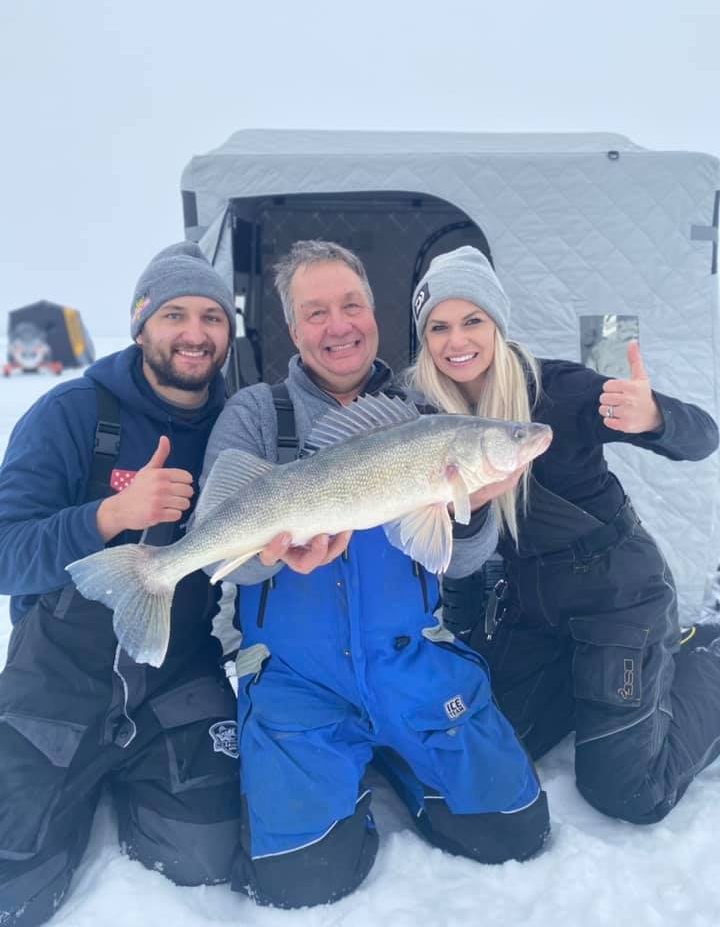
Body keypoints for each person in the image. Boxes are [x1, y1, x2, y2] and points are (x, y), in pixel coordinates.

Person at [199, 239, 550, 910]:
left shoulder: (427, 410)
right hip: (300, 681)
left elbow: (465, 562)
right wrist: (274, 555)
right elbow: (226, 561)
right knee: (302, 881)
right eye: (316, 312)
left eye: (352, 305)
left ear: (376, 313)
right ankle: (350, 767)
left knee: (513, 831)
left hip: (411, 664)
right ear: (295, 328)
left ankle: (395, 748)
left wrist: (469, 512)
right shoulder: (255, 414)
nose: (339, 325)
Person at [407, 244, 720, 825]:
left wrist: (657, 418)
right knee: (490, 748)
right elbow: (457, 549)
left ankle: (707, 656)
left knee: (628, 789)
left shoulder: (557, 389)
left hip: (617, 600)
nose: (457, 341)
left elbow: (705, 438)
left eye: (472, 320)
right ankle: (609, 689)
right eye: (439, 326)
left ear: (496, 325)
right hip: (533, 615)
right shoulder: (425, 421)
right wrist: (469, 638)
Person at [0, 243, 243, 927]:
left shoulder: (241, 424)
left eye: (211, 317)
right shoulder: (70, 413)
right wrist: (111, 515)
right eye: (174, 314)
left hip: (177, 674)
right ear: (140, 326)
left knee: (203, 860)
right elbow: (4, 553)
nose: (194, 333)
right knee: (14, 890)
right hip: (57, 679)